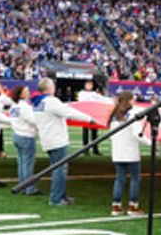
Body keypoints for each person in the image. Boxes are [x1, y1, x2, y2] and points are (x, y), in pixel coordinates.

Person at [32, 77, 85, 205]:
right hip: (56, 139)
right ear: (49, 88)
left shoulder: (38, 102)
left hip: (48, 138)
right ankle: (56, 198)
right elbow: (68, 112)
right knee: (60, 169)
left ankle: (61, 195)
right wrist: (89, 118)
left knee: (58, 167)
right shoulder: (51, 101)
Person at [108, 90, 148, 215]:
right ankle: (133, 206)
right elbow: (138, 135)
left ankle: (116, 206)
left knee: (119, 179)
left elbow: (111, 135)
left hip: (118, 153)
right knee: (135, 179)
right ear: (130, 100)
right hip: (131, 153)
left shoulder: (114, 115)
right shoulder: (132, 115)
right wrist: (152, 143)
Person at [8, 85, 41, 197]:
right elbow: (32, 120)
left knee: (22, 162)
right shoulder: (24, 106)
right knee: (28, 163)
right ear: (21, 94)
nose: (29, 92)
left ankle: (22, 185)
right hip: (26, 135)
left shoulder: (14, 106)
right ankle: (29, 187)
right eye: (26, 91)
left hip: (17, 134)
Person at [78, 79, 111, 156]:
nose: (89, 86)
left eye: (91, 85)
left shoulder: (94, 93)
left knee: (94, 133)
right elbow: (82, 102)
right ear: (85, 85)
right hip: (85, 115)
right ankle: (85, 150)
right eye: (88, 84)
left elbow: (103, 99)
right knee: (85, 133)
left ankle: (95, 149)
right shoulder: (82, 93)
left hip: (94, 115)